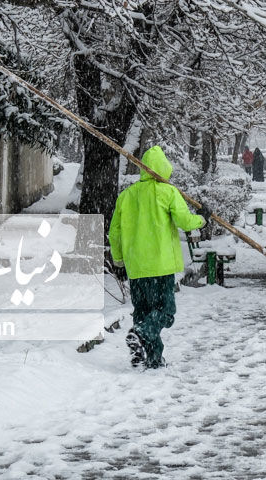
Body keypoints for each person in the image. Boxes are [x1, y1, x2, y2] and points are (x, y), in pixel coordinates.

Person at [108, 145, 205, 369]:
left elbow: (115, 232)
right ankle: (141, 334)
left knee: (143, 312)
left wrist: (119, 259)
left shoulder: (126, 196)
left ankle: (149, 358)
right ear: (163, 169)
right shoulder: (168, 192)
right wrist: (203, 218)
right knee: (165, 312)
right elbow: (186, 222)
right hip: (161, 266)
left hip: (137, 267)